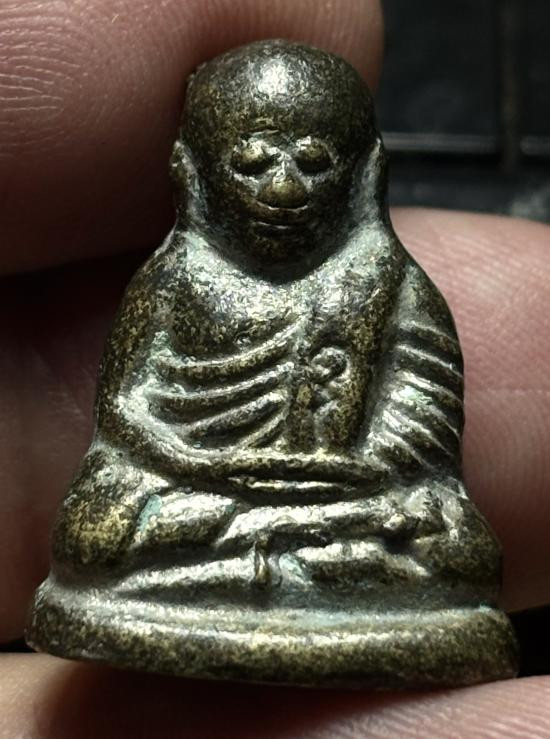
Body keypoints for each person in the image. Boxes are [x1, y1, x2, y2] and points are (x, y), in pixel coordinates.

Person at [1, 0, 549, 734]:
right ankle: (288, 553)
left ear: (366, 173)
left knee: (458, 551)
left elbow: (425, 425)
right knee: (93, 537)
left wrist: (351, 469)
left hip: (344, 496)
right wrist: (197, 462)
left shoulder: (391, 286)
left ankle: (251, 557)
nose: (284, 191)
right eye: (254, 162)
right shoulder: (173, 280)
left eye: (314, 163)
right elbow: (126, 413)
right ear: (192, 173)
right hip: (197, 481)